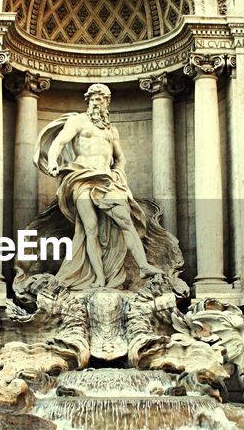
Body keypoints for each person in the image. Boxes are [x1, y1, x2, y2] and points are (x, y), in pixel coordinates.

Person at [34, 83, 165, 290]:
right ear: (88, 101)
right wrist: (52, 162)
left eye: (101, 99)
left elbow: (120, 158)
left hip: (106, 180)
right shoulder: (78, 121)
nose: (97, 102)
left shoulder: (111, 130)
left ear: (107, 103)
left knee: (126, 221)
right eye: (93, 98)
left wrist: (118, 173)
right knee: (90, 229)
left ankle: (143, 266)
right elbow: (58, 144)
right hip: (82, 178)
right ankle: (98, 278)